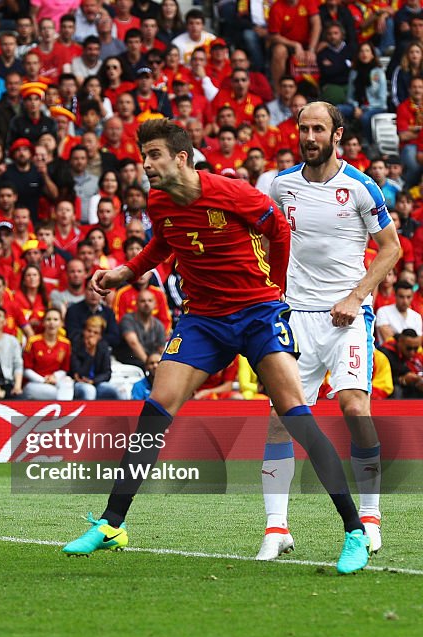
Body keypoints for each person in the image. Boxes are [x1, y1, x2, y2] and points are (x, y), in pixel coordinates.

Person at [63, 119, 372, 575]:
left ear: (181, 158)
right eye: (143, 155)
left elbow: (279, 233)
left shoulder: (236, 193)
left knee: (295, 414)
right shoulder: (159, 200)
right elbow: (162, 244)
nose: (145, 164)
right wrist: (124, 273)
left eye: (154, 155)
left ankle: (354, 532)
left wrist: (277, 288)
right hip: (204, 320)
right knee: (156, 408)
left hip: (257, 314)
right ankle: (112, 524)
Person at [260, 102, 401, 560]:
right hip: (296, 315)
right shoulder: (282, 186)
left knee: (353, 406)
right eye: (304, 128)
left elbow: (390, 249)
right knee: (280, 419)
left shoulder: (360, 187)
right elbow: (267, 242)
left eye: (319, 128)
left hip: (347, 316)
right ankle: (276, 528)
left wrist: (355, 296)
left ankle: (371, 517)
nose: (310, 136)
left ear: (337, 134)